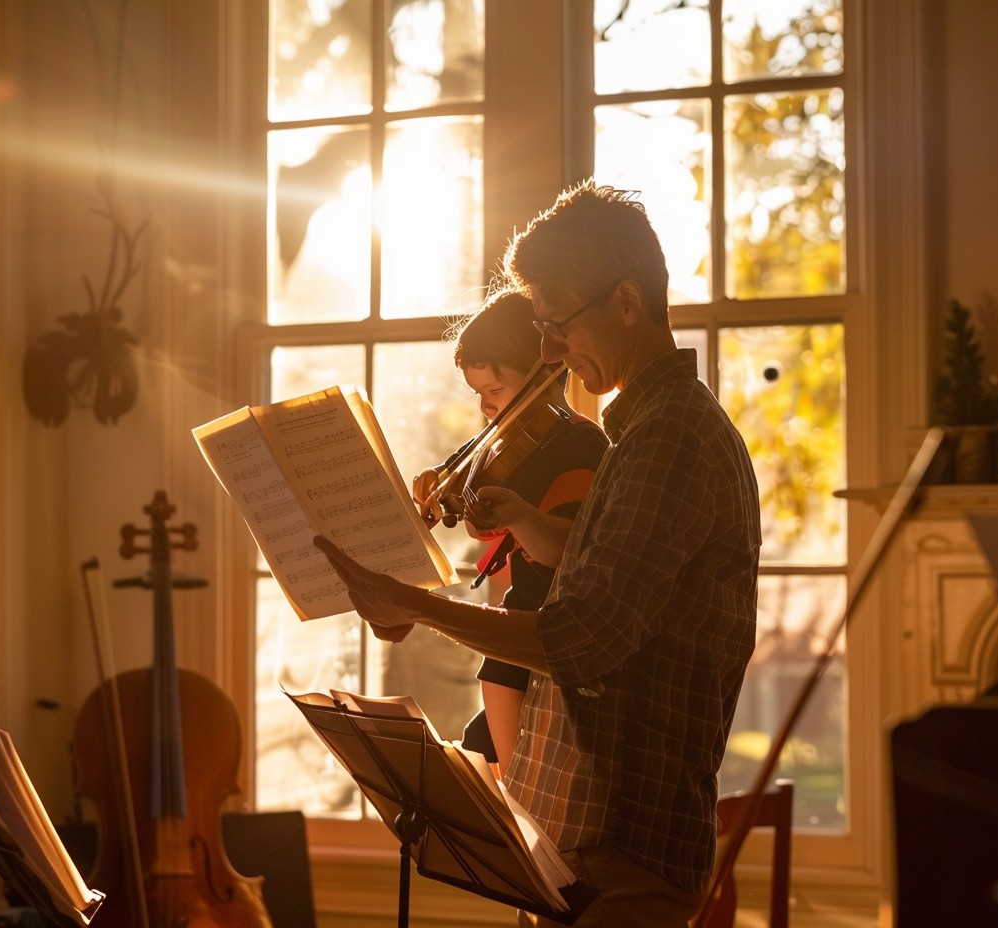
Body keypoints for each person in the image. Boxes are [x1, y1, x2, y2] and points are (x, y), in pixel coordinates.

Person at [315, 180, 761, 928]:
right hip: (576, 847)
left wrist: (415, 605)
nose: (550, 350)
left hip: (620, 854)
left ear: (627, 302)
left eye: (558, 325)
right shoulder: (639, 436)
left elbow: (578, 640)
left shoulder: (671, 439)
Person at [412, 289, 608, 775]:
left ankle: (517, 796)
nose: (485, 407)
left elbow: (561, 548)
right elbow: (479, 520)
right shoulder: (508, 443)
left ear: (545, 375)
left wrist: (519, 515)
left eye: (495, 391)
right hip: (521, 621)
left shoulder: (580, 444)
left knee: (511, 773)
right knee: (478, 752)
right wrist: (441, 481)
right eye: (478, 393)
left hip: (548, 623)